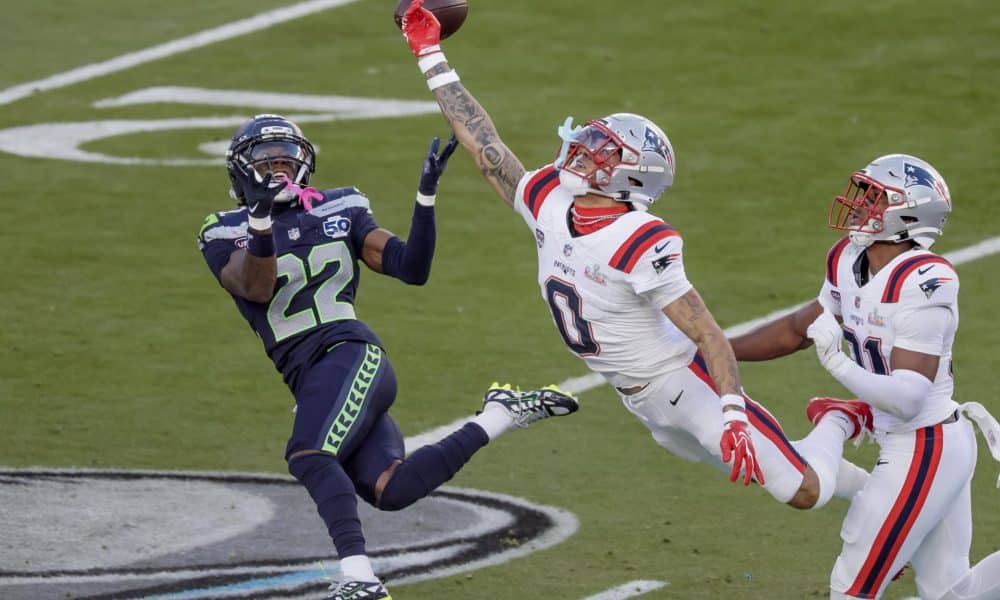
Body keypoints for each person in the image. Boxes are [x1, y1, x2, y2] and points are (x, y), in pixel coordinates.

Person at [398, 1, 871, 515]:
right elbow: (483, 141)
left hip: (685, 386)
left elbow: (708, 334)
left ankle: (836, 420)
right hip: (641, 401)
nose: (584, 149)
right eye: (592, 140)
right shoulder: (548, 198)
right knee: (787, 466)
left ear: (631, 177)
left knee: (801, 492)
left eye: (604, 150)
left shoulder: (640, 239)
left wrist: (733, 414)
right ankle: (879, 497)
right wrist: (429, 55)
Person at [197, 114, 579, 600]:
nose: (278, 170)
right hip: (309, 374)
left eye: (285, 161)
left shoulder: (340, 206)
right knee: (391, 489)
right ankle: (500, 414)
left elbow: (411, 267)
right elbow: (256, 286)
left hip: (348, 352)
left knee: (309, 454)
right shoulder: (223, 229)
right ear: (240, 172)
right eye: (265, 162)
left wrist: (425, 198)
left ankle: (359, 578)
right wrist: (260, 219)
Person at [729, 153, 1000, 599]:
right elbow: (798, 329)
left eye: (876, 198)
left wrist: (839, 365)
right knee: (952, 593)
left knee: (851, 588)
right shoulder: (848, 258)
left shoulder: (925, 281)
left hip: (925, 443)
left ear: (908, 217)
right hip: (916, 438)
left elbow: (909, 398)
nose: (859, 205)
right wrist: (717, 348)